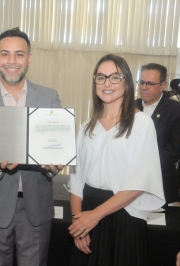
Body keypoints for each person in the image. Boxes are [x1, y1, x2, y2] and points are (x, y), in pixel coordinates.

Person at [0, 27, 62, 266]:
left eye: (19, 54)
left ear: (29, 58)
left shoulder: (49, 98)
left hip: (36, 207)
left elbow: (57, 148)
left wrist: (54, 165)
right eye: (5, 54)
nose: (12, 61)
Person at [68, 54, 165, 266]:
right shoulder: (86, 126)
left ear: (127, 82)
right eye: (101, 77)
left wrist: (94, 216)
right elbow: (76, 179)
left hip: (124, 215)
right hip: (88, 212)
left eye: (115, 77)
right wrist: (79, 225)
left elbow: (138, 183)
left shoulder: (141, 124)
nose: (107, 83)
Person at [135, 63, 180, 205]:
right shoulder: (130, 107)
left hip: (162, 185)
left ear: (163, 85)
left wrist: (142, 164)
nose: (144, 87)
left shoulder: (176, 110)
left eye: (150, 83)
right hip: (129, 185)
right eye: (141, 82)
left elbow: (175, 150)